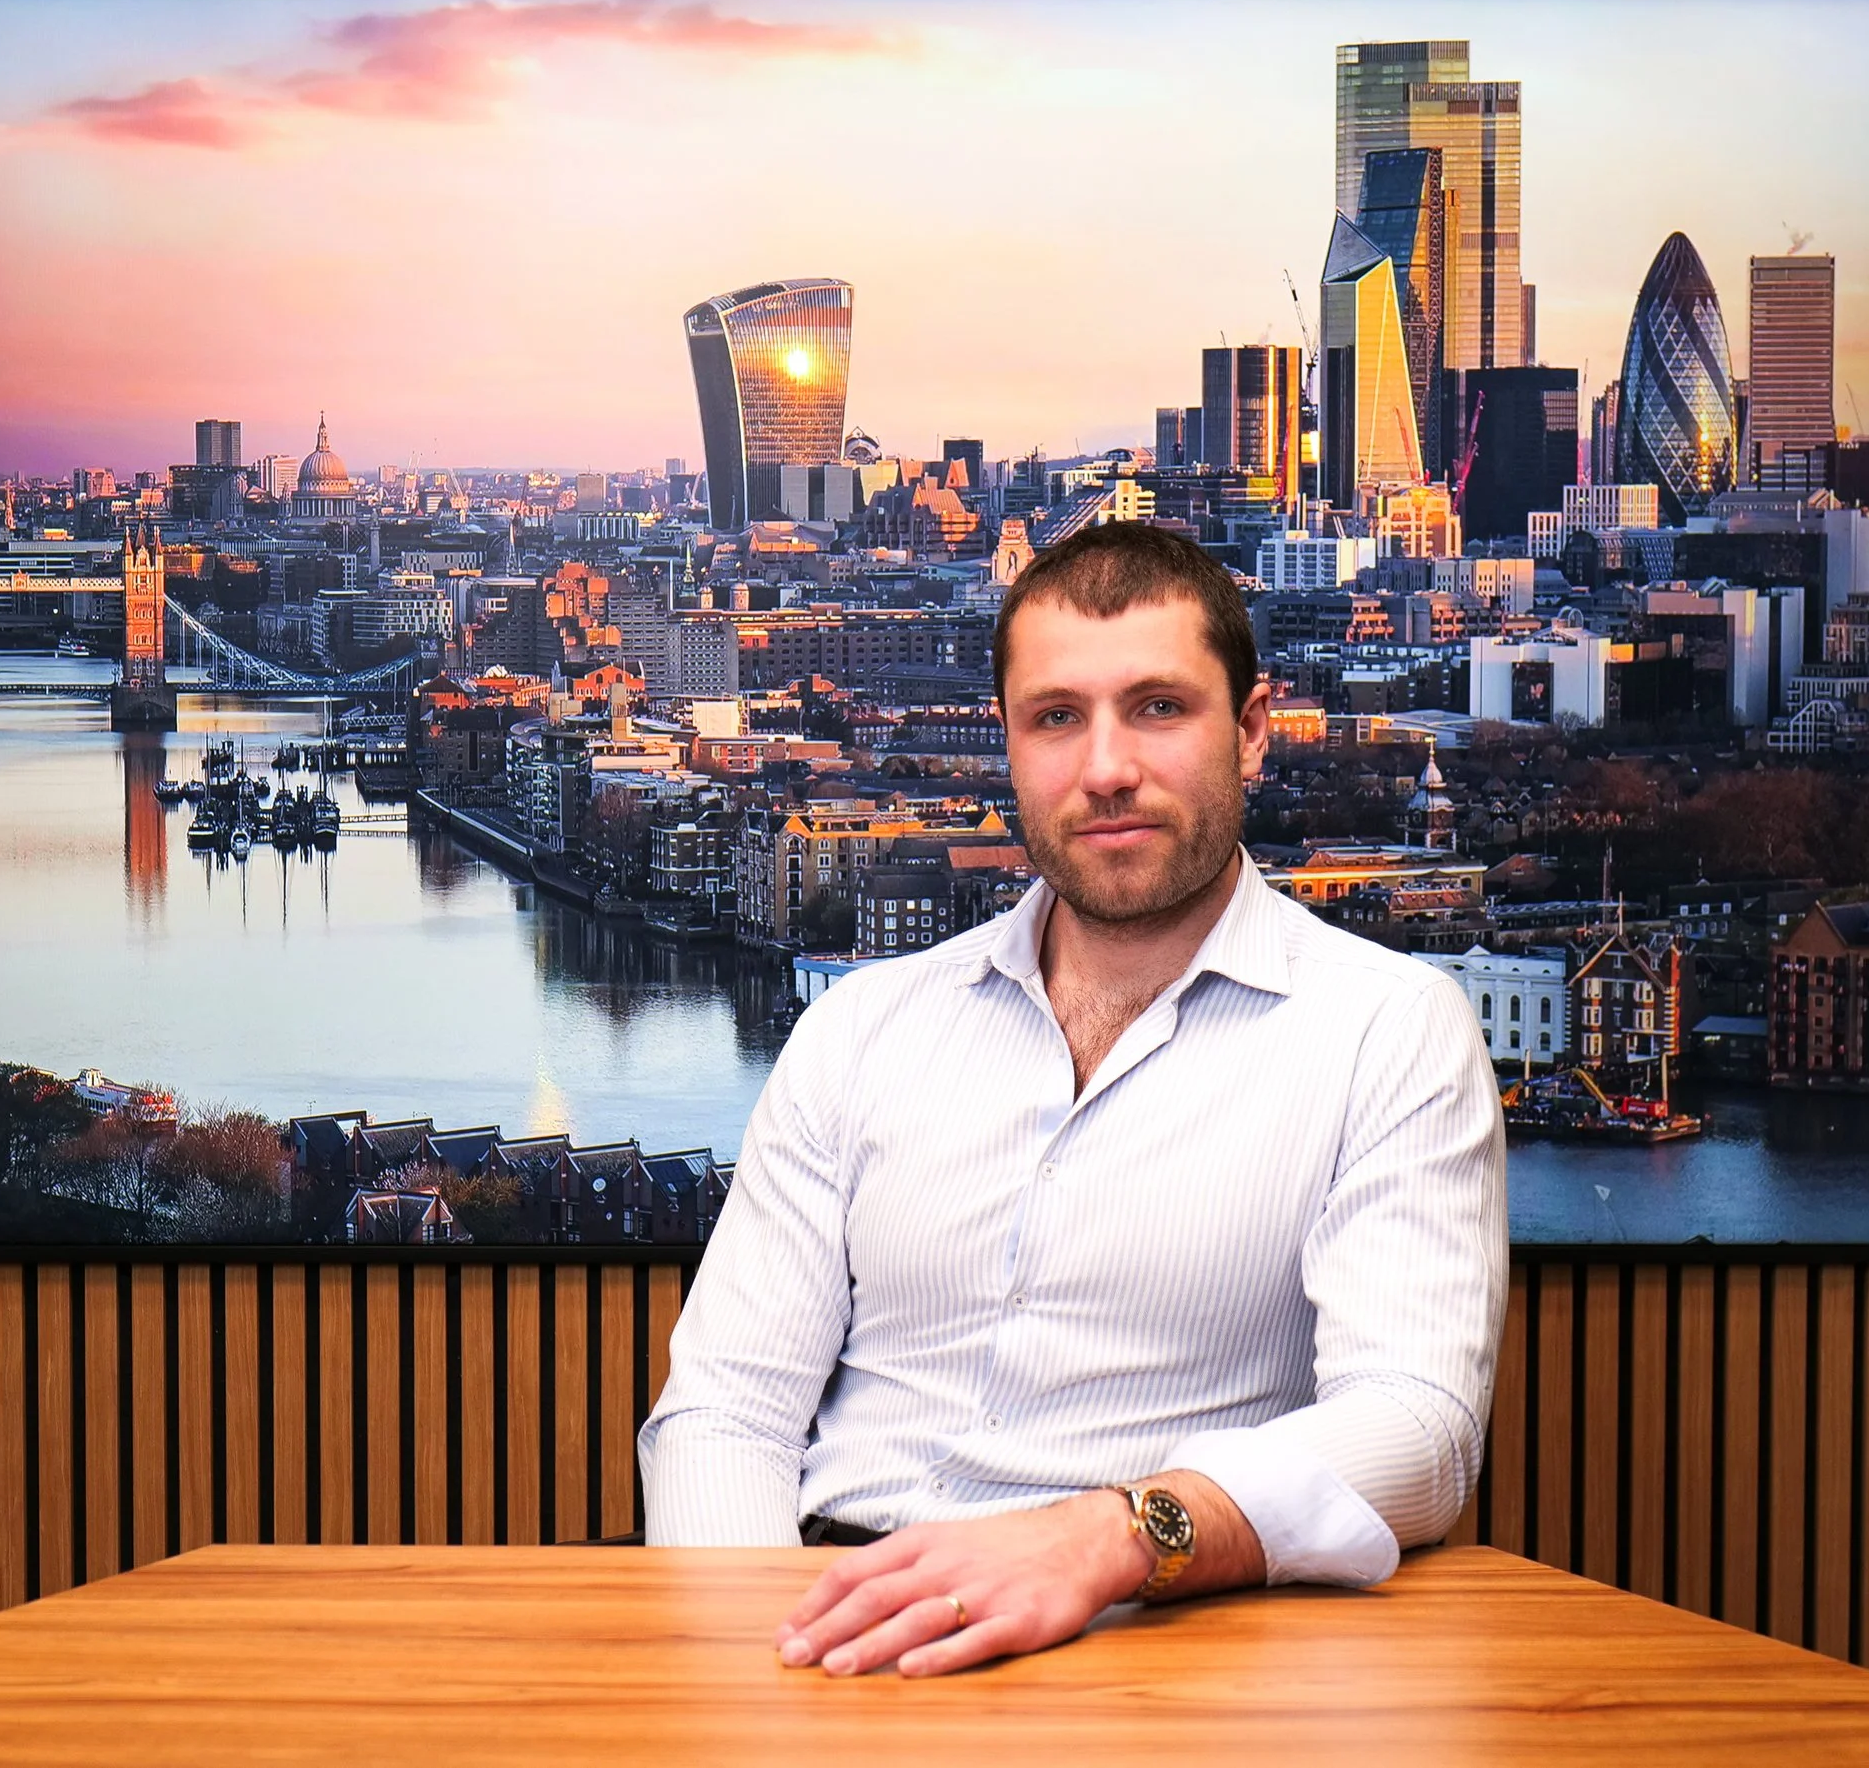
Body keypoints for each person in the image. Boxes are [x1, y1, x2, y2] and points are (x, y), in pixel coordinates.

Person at [637, 520, 1506, 1680]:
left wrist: (1112, 1537)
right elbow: (724, 1416)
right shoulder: (859, 1029)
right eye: (1057, 717)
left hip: (1161, 1652)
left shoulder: (1388, 1033)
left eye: (1157, 707)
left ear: (1251, 732)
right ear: (1008, 742)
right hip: (826, 1626)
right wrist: (765, 1672)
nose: (1105, 769)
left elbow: (1418, 1433)